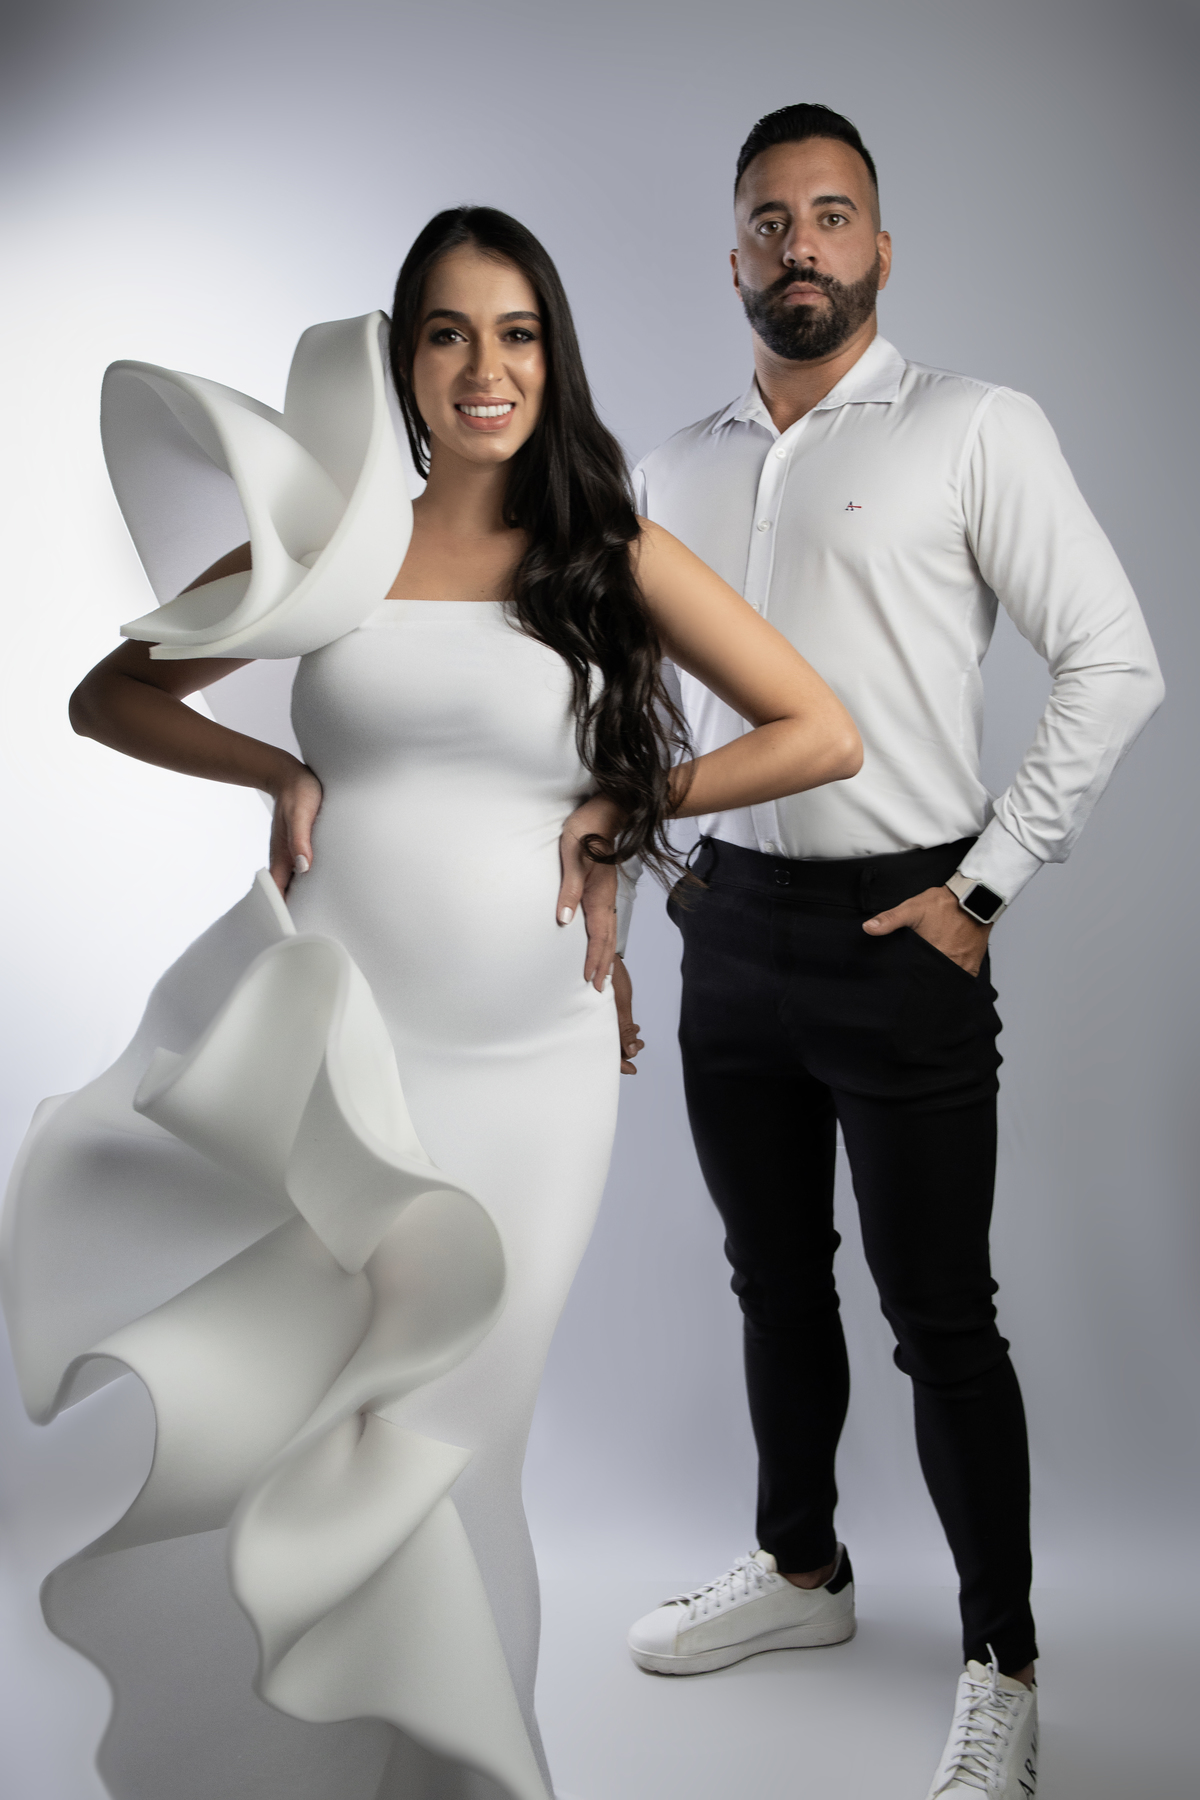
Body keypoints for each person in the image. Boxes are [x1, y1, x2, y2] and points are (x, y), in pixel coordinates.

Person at [0, 207, 859, 1800]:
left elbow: (819, 730)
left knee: (461, 1443)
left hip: (532, 1074)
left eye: (516, 333)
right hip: (346, 1066)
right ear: (404, 359)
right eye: (450, 333)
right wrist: (273, 767)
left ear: (552, 355)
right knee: (328, 1440)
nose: (485, 367)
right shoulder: (333, 547)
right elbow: (107, 693)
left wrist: (632, 803)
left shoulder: (606, 553)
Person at [622, 104, 1163, 1800]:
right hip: (731, 927)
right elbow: (636, 702)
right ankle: (804, 1572)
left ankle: (1003, 1665)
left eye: (832, 213)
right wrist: (661, 876)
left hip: (908, 925)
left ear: (879, 245)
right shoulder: (672, 466)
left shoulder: (974, 427)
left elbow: (1115, 661)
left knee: (941, 1315)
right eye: (770, 220)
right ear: (733, 255)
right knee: (771, 1279)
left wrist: (983, 889)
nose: (802, 245)